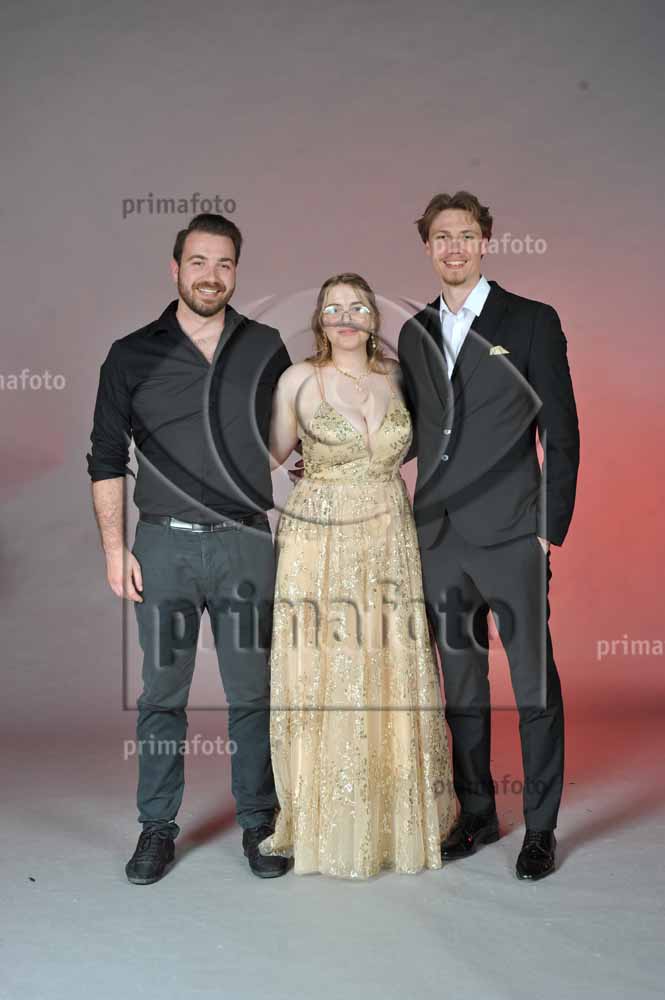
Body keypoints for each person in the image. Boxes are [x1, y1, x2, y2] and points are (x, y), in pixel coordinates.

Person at [86, 213, 291, 883]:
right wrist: (114, 550)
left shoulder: (264, 346)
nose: (211, 275)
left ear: (236, 272)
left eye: (224, 263)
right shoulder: (130, 354)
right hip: (163, 547)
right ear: (175, 269)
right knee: (162, 695)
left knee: (253, 693)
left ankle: (260, 822)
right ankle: (156, 828)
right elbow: (106, 457)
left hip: (246, 544)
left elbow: (287, 439)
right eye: (198, 262)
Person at [397, 191, 580, 880]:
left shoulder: (531, 321)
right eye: (441, 237)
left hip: (511, 536)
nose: (454, 247)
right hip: (438, 538)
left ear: (484, 242)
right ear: (427, 247)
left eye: (465, 235)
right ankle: (476, 814)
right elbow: (412, 432)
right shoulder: (413, 331)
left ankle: (540, 827)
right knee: (462, 688)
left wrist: (546, 531)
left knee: (533, 685)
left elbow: (561, 433)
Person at [259, 273, 457, 878]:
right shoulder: (297, 379)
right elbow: (268, 457)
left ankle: (393, 819)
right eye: (333, 308)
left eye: (357, 307)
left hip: (389, 535)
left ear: (373, 318)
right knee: (328, 667)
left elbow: (430, 438)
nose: (345, 317)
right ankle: (326, 820)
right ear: (320, 320)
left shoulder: (398, 377)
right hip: (318, 540)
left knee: (389, 664)